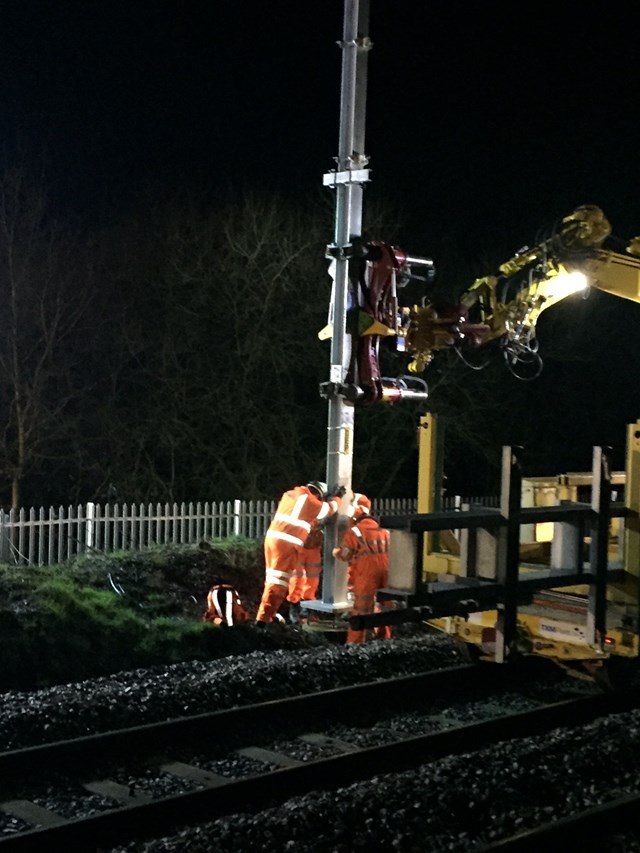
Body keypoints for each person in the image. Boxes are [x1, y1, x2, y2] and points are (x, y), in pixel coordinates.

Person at [256, 481, 346, 624]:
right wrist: (338, 498)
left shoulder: (289, 495)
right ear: (318, 494)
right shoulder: (310, 501)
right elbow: (329, 509)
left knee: (272, 580)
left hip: (273, 540)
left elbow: (300, 517)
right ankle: (263, 620)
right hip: (286, 545)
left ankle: (266, 616)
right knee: (278, 584)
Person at [333, 494, 392, 644]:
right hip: (386, 572)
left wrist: (336, 552)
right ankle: (385, 639)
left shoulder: (355, 531)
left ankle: (355, 643)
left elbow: (345, 554)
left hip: (367, 574)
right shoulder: (384, 530)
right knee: (385, 607)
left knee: (361, 610)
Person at [286, 521, 324, 624]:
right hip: (300, 544)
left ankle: (307, 609)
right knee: (297, 578)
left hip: (313, 545)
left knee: (312, 581)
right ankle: (294, 608)